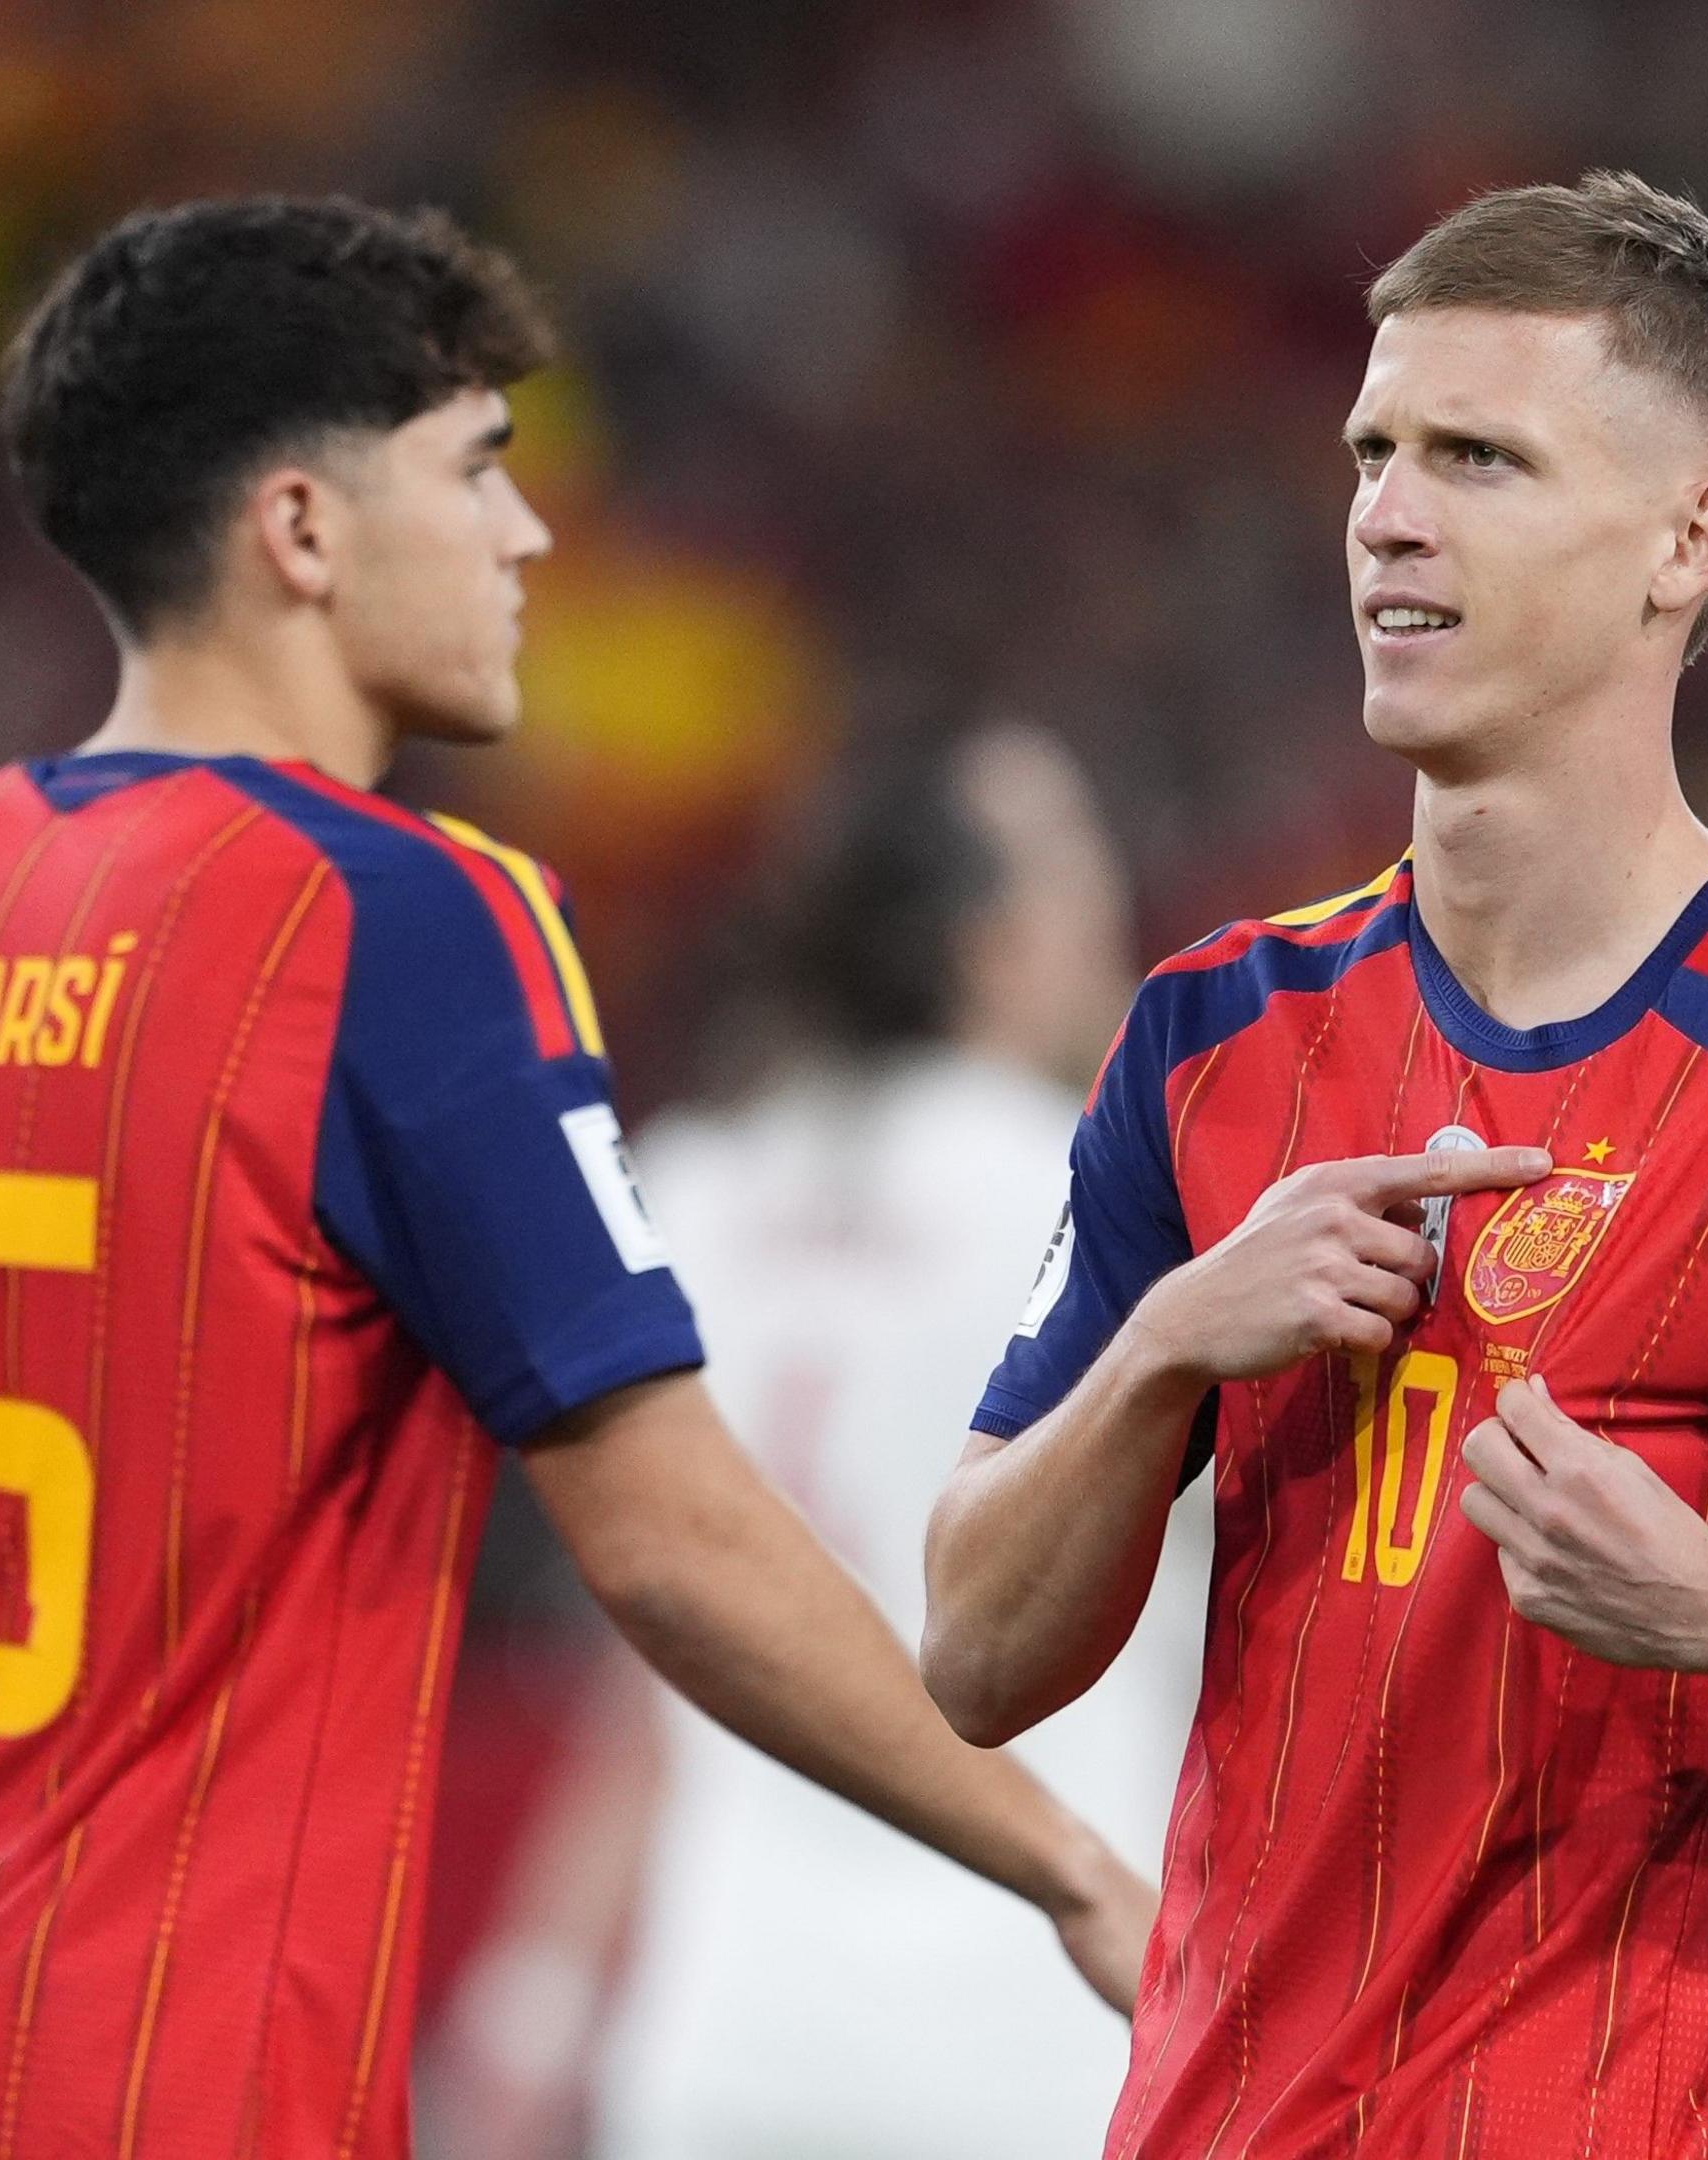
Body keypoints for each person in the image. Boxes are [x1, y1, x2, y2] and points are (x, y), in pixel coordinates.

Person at [0, 197, 1151, 2160]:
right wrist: (1061, 1858)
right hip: (193, 2103)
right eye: (477, 472)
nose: (528, 539)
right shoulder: (402, 926)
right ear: (301, 531)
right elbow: (665, 1537)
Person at [918, 170, 1708, 2160]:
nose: (1387, 512)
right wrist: (1174, 1342)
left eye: (1479, 457)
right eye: (1372, 450)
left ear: (1685, 544)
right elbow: (973, 1653)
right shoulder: (1211, 1036)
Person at [430, 722, 1208, 2159]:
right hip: (1049, 2022)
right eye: (1067, 862)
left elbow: (659, 1646)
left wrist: (536, 1990)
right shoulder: (1116, 1202)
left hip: (730, 2029)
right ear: (988, 938)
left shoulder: (685, 1189)